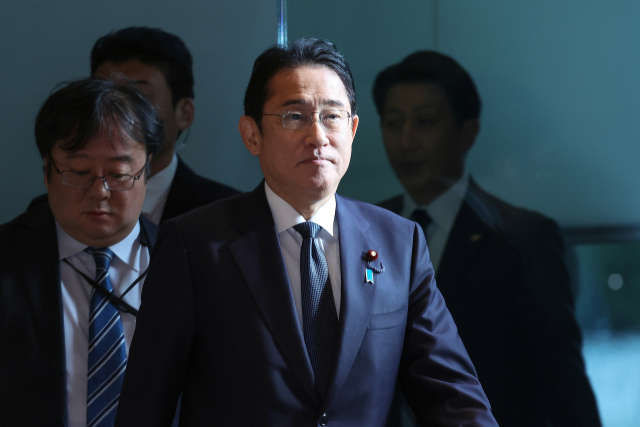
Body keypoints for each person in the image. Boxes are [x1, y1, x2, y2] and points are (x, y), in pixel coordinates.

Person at [114, 38, 498, 427]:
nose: (317, 136)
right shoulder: (195, 244)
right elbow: (146, 405)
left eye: (332, 116)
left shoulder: (399, 242)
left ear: (352, 130)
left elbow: (453, 396)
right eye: (294, 116)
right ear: (251, 134)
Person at [374, 51, 601, 427]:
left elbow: (561, 380)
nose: (405, 140)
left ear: (467, 133)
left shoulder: (521, 236)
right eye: (393, 123)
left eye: (425, 122)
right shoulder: (367, 228)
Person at [0, 78, 165, 426]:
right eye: (79, 172)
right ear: (47, 170)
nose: (99, 191)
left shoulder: (191, 262)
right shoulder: (7, 256)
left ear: (147, 170)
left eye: (119, 173)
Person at [28, 26, 239, 224]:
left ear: (184, 113)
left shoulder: (226, 214)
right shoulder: (45, 214)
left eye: (140, 96)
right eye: (104, 95)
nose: (118, 112)